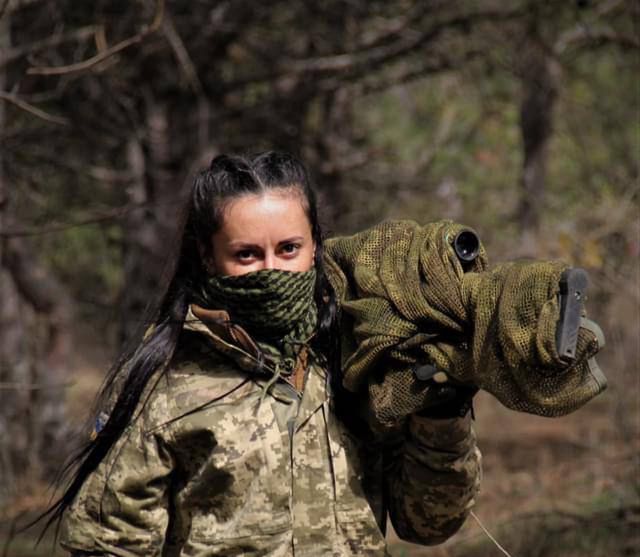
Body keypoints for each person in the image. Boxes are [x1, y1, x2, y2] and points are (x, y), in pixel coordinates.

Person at [50, 151, 481, 556]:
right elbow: (107, 545)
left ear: (316, 247)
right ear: (207, 256)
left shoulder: (358, 359)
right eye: (247, 254)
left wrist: (442, 410)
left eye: (288, 248)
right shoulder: (162, 383)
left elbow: (427, 523)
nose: (272, 269)